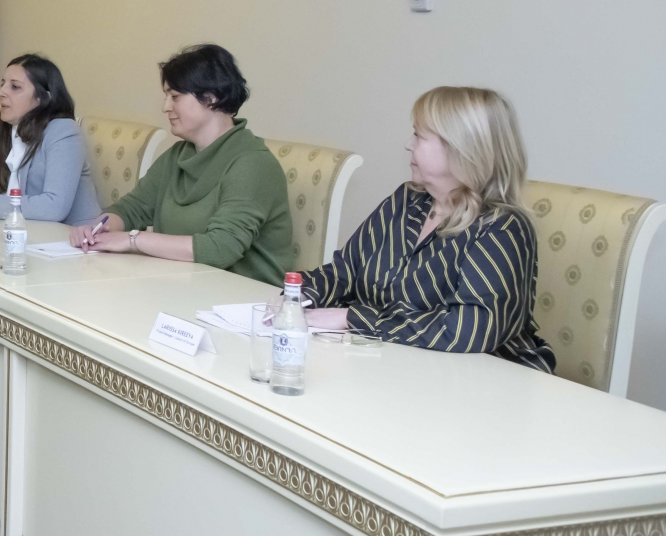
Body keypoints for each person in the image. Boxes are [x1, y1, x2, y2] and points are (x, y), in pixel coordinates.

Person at [291, 87, 553, 371]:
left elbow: (467, 330)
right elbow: (344, 272)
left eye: (419, 135)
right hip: (395, 366)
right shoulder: (406, 200)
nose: (408, 144)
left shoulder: (502, 228)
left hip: (486, 381)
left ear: (461, 148)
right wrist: (298, 297)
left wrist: (352, 318)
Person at [70, 44, 292, 284]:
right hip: (184, 287)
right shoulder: (177, 156)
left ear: (211, 98)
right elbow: (132, 209)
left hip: (244, 298)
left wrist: (132, 240)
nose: (165, 107)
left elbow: (220, 248)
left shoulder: (253, 163)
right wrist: (98, 228)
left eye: (175, 96)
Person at [0, 53, 102, 224]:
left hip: (71, 236)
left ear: (42, 98)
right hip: (17, 232)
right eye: (3, 84)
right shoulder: (6, 127)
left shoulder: (64, 132)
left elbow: (53, 206)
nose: (1, 92)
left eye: (15, 87)